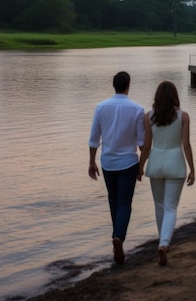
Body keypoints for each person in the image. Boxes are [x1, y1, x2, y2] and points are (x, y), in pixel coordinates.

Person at [88, 71, 145, 265]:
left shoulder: (101, 107)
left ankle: (116, 237)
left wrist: (91, 161)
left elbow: (94, 138)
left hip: (108, 163)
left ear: (114, 85)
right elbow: (142, 143)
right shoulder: (137, 109)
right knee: (124, 203)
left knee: (113, 201)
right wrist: (142, 166)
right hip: (129, 162)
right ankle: (118, 237)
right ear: (128, 85)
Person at [138, 81, 195, 266]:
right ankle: (164, 243)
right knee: (171, 206)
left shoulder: (149, 117)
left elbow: (146, 147)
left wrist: (140, 166)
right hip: (175, 163)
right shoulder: (183, 117)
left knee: (159, 205)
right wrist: (192, 169)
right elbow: (186, 145)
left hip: (156, 163)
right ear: (175, 96)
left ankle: (162, 241)